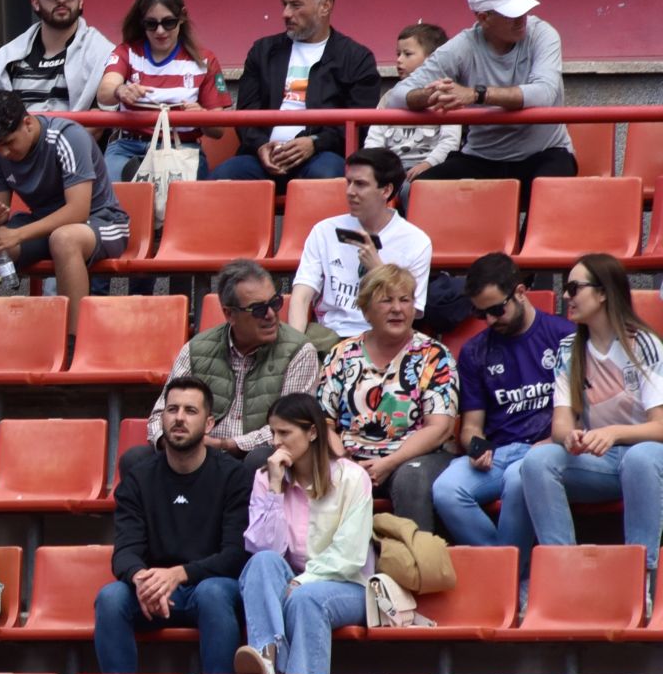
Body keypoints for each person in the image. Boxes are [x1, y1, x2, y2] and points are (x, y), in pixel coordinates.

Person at [517, 254, 663, 596]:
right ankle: (564, 579)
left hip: (648, 460)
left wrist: (613, 433)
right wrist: (573, 438)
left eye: (574, 288)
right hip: (602, 463)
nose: (567, 296)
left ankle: (641, 580)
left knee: (641, 457)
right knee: (537, 461)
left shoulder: (643, 343)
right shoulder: (569, 348)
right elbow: (560, 425)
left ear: (602, 293)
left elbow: (660, 427)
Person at [99, 377, 250, 674]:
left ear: (209, 424)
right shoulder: (139, 479)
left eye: (190, 411)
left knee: (213, 594)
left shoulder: (234, 477)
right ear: (163, 418)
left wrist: (179, 574)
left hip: (209, 585)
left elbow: (236, 555)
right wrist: (141, 579)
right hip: (155, 592)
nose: (179, 418)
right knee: (110, 598)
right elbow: (125, 551)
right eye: (172, 410)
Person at [234, 393, 374, 674]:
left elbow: (350, 555)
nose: (276, 442)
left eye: (285, 433)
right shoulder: (266, 477)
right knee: (262, 562)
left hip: (348, 584)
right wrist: (273, 489)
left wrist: (304, 580)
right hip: (294, 581)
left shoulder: (352, 478)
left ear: (312, 432)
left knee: (306, 598)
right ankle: (267, 658)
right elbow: (263, 547)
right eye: (272, 433)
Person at [0, 88, 130, 339]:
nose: (4, 152)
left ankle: (74, 346)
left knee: (64, 238)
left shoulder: (67, 137)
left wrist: (18, 235)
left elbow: (78, 211)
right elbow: (1, 213)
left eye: (8, 142)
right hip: (44, 226)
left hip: (101, 221)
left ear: (27, 123)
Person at [429, 253, 573, 545]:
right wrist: (476, 447)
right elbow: (471, 425)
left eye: (496, 309)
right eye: (481, 314)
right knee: (446, 489)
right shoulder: (475, 351)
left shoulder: (563, 336)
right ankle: (507, 569)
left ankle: (506, 578)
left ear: (520, 292)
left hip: (546, 449)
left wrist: (553, 441)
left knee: (519, 480)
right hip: (499, 452)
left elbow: (584, 411)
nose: (490, 320)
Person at [405, 0, 575, 207]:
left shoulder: (543, 34)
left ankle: (531, 245)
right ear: (483, 18)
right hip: (481, 158)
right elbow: (400, 95)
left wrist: (476, 94)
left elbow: (544, 94)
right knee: (417, 191)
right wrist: (432, 94)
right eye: (512, 13)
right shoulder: (461, 46)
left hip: (545, 153)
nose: (522, 18)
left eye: (523, 9)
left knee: (549, 192)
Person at [211, 0, 381, 185]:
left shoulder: (356, 58)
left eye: (296, 5)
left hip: (321, 157)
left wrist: (313, 142)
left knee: (327, 178)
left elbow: (360, 123)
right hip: (261, 157)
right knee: (220, 179)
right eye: (284, 4)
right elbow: (245, 113)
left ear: (325, 6)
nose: (286, 13)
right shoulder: (263, 51)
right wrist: (261, 146)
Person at [149, 260, 321, 471]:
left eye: (275, 303)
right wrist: (178, 442)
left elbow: (293, 424)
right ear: (229, 314)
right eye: (258, 309)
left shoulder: (299, 351)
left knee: (260, 459)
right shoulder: (197, 349)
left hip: (254, 457)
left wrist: (228, 445)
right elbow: (158, 416)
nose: (270, 315)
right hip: (198, 454)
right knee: (137, 458)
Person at [317, 264, 458, 516]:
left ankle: (413, 554)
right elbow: (321, 421)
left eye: (405, 300)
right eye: (386, 300)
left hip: (413, 458)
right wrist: (344, 460)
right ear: (366, 310)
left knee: (410, 479)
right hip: (347, 458)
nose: (397, 308)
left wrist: (389, 463)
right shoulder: (343, 354)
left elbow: (440, 427)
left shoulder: (433, 355)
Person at [287, 148, 432, 356]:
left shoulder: (416, 241)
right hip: (330, 338)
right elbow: (301, 296)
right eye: (349, 182)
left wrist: (378, 271)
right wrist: (295, 347)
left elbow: (412, 311)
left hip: (383, 339)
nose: (350, 191)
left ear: (386, 190)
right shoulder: (324, 230)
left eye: (361, 184)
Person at [95, 0, 229, 184]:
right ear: (141, 22)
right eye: (151, 24)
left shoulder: (204, 60)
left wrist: (201, 116)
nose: (160, 31)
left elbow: (219, 130)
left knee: (180, 201)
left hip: (182, 148)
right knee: (110, 203)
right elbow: (105, 91)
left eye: (168, 22)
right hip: (128, 147)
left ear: (182, 17)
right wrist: (120, 91)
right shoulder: (127, 52)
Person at [0, 0, 115, 113]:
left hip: (77, 137)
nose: (62, 0)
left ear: (81, 1)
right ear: (35, 2)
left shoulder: (103, 53)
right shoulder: (6, 58)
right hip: (21, 137)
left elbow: (99, 122)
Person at [362, 23, 458, 209]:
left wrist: (429, 164)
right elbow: (375, 138)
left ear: (432, 60)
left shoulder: (447, 96)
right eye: (398, 53)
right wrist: (373, 164)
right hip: (390, 167)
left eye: (407, 54)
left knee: (410, 191)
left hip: (427, 168)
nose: (399, 60)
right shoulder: (388, 98)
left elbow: (449, 141)